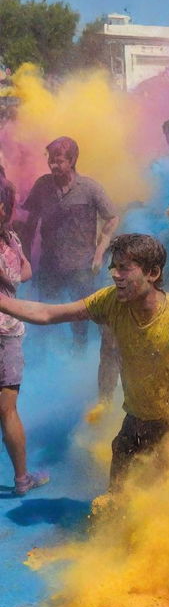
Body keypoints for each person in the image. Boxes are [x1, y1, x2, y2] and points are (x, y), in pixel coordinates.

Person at [0, 233, 169, 488]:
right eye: (113, 267)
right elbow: (49, 314)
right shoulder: (110, 300)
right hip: (135, 423)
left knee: (167, 507)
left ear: (153, 273)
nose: (115, 274)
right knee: (118, 503)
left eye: (124, 268)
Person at [21, 136, 119, 351]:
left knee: (80, 320)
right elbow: (29, 224)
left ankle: (79, 360)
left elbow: (112, 218)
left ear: (72, 160)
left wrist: (100, 251)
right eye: (50, 160)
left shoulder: (89, 188)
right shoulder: (42, 185)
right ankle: (48, 361)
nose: (53, 165)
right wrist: (25, 257)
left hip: (81, 267)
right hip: (49, 266)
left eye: (58, 161)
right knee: (44, 316)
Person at [0, 168, 48, 495]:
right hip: (9, 331)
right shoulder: (12, 240)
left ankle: (21, 479)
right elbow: (25, 273)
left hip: (7, 331)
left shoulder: (11, 239)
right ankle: (21, 480)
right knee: (7, 409)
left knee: (7, 409)